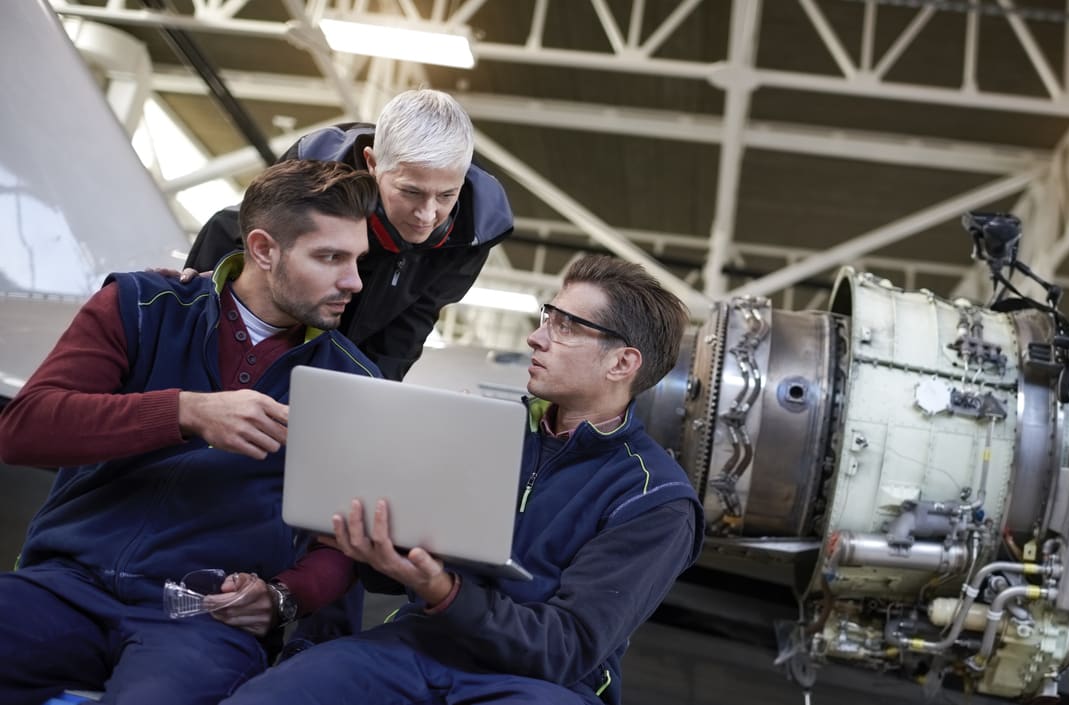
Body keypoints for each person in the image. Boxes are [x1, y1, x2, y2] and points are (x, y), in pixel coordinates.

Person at [221, 255, 703, 705]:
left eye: (567, 326)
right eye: (546, 317)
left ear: (622, 363)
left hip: (539, 686)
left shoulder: (654, 499)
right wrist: (377, 550)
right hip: (420, 642)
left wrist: (444, 591)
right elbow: (408, 568)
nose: (537, 338)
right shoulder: (490, 433)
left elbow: (565, 647)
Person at [0, 160, 381, 705]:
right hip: (64, 588)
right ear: (264, 249)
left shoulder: (354, 383)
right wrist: (185, 412)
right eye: (330, 258)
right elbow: (24, 429)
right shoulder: (139, 306)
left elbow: (340, 545)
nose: (354, 281)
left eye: (358, 260)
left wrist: (282, 597)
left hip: (203, 620)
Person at [184, 88, 514, 382]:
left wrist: (367, 398)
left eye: (446, 195)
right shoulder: (315, 168)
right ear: (371, 163)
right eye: (410, 192)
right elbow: (236, 230)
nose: (427, 215)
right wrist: (192, 299)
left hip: (366, 332)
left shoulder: (478, 228)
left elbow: (412, 323)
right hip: (283, 327)